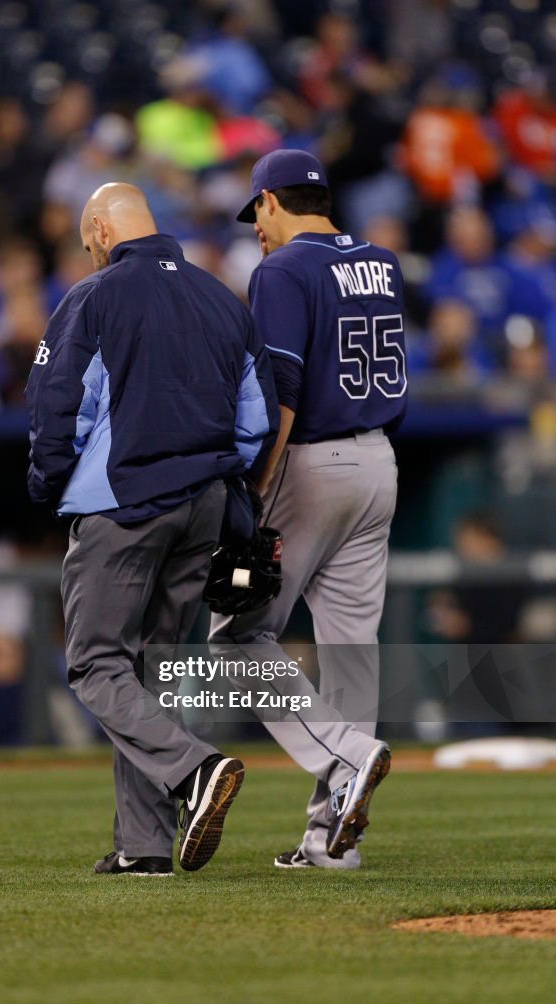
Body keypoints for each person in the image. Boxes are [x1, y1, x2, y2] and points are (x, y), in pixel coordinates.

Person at [25, 182, 279, 876]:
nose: (90, 255)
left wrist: (49, 487)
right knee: (152, 670)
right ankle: (143, 848)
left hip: (123, 501)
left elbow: (57, 408)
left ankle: (195, 771)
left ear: (104, 231)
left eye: (88, 244)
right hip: (204, 503)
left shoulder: (93, 297)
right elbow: (257, 417)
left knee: (97, 662)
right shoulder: (220, 296)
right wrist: (228, 490)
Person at [211, 149, 407, 869]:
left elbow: (280, 392)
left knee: (234, 637)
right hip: (377, 459)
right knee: (351, 651)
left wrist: (255, 493)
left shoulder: (282, 269)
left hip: (308, 463)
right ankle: (329, 840)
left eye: (255, 213)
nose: (255, 229)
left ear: (270, 202)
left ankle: (347, 755)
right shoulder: (381, 261)